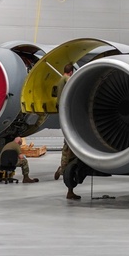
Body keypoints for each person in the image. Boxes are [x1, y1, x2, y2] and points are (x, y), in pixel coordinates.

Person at [54, 63, 81, 200]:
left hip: (62, 112)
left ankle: (62, 168)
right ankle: (64, 170)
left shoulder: (60, 80)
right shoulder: (67, 80)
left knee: (66, 146)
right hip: (69, 114)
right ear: (71, 72)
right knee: (70, 148)